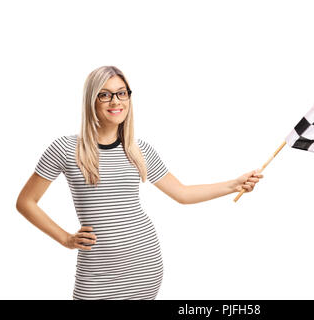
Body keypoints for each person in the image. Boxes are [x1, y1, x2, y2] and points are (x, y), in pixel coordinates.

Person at [15, 66, 264, 300]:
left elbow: (183, 194)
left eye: (121, 93)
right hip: (96, 273)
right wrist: (66, 239)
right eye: (105, 95)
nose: (116, 101)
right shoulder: (66, 149)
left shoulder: (138, 150)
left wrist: (235, 184)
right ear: (91, 100)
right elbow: (26, 202)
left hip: (144, 267)